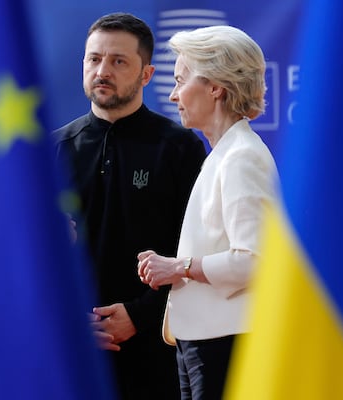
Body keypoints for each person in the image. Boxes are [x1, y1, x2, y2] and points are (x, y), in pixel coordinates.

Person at [53, 12, 207, 400]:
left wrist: (138, 315)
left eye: (118, 61)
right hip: (70, 348)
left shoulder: (179, 148)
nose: (103, 70)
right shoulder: (52, 150)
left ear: (147, 74)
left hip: (155, 352)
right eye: (94, 59)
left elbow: (196, 250)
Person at [137, 25, 279, 399]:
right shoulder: (225, 154)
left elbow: (256, 261)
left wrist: (178, 267)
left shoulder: (241, 157)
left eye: (181, 80)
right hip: (204, 342)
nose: (172, 94)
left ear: (216, 86)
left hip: (225, 344)